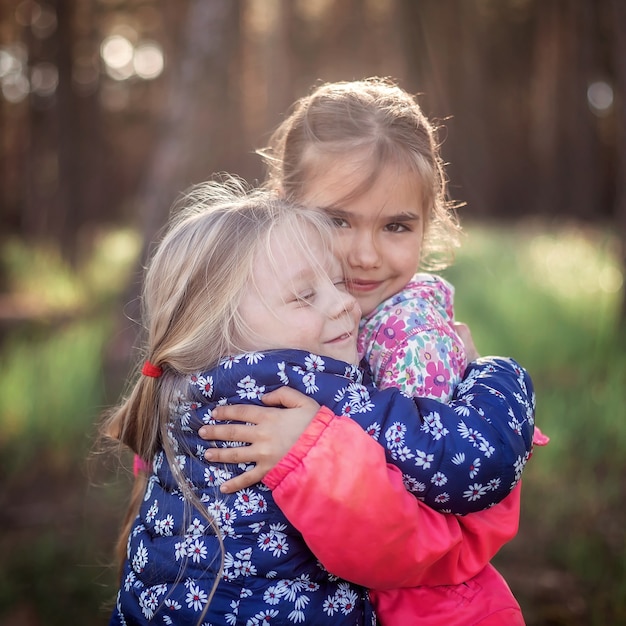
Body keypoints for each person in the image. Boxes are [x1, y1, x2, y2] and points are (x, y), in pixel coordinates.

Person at [104, 176, 535, 625]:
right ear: (222, 330)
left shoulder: (179, 393)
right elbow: (471, 461)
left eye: (336, 282)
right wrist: (495, 373)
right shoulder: (298, 394)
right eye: (305, 296)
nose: (343, 305)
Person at [198, 78, 548, 625]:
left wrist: (311, 450)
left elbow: (448, 528)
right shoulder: (250, 311)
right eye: (337, 220)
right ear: (283, 206)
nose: (364, 255)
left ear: (428, 225)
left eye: (396, 226)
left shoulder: (414, 346)